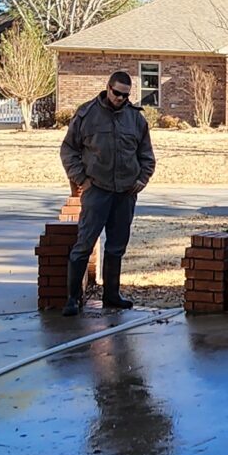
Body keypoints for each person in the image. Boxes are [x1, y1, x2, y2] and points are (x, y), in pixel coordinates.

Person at [59, 67, 155, 314]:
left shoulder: (136, 119)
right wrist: (81, 178)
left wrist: (142, 180)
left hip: (125, 192)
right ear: (108, 87)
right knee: (85, 243)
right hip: (97, 189)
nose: (120, 99)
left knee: (116, 246)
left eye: (125, 95)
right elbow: (68, 150)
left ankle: (112, 295)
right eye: (116, 93)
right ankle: (73, 298)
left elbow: (146, 155)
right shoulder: (87, 114)